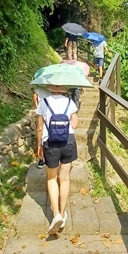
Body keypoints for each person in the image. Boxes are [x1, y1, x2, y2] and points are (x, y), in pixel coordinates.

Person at [36, 85, 79, 235]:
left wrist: (39, 145)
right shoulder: (70, 102)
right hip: (68, 141)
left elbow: (40, 127)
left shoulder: (44, 102)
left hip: (51, 143)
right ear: (63, 88)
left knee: (52, 178)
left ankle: (56, 215)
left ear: (50, 87)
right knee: (65, 178)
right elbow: (75, 123)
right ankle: (63, 211)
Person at [32, 87, 51, 168]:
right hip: (50, 112)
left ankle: (41, 158)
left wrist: (37, 107)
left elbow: (34, 97)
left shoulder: (39, 88)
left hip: (42, 110)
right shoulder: (53, 90)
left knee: (41, 132)